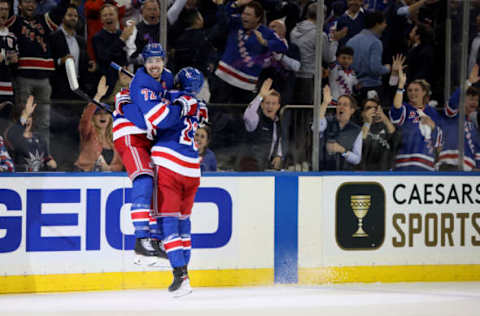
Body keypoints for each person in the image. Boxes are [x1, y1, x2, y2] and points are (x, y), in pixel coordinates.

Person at [123, 66, 207, 297]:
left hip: (170, 163)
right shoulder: (201, 106)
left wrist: (124, 103)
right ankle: (185, 274)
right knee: (184, 223)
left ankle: (180, 276)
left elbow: (150, 120)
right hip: (192, 167)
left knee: (168, 221)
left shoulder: (169, 97)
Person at [113, 43, 173, 266]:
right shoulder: (132, 90)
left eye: (158, 60)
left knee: (159, 186)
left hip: (146, 140)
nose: (154, 65)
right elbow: (144, 120)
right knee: (144, 179)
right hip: (130, 137)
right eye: (150, 61)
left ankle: (152, 241)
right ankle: (141, 240)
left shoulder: (163, 83)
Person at [7, 0, 74, 148]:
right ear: (19, 5)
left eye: (33, 2)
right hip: (23, 78)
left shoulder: (44, 20)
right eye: (26, 2)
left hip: (44, 80)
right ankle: (23, 156)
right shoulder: (14, 21)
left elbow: (60, 10)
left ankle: (45, 156)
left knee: (44, 122)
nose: (30, 5)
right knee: (23, 119)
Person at [210, 0, 287, 104]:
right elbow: (222, 17)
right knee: (214, 113)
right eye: (244, 13)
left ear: (258, 18)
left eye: (248, 15)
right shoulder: (236, 22)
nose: (244, 17)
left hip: (245, 85)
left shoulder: (266, 32)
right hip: (223, 78)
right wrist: (236, 4)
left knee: (241, 118)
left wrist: (265, 42)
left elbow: (283, 47)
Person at [389, 68, 443, 171]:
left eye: (416, 90)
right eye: (409, 90)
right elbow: (396, 110)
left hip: (426, 162)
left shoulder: (432, 112)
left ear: (424, 92)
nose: (412, 93)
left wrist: (433, 126)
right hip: (404, 161)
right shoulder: (405, 108)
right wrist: (400, 86)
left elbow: (439, 142)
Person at [290, 3, 339, 104]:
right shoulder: (319, 34)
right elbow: (329, 57)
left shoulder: (294, 30)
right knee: (307, 112)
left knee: (295, 111)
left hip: (293, 76)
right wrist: (334, 41)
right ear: (323, 16)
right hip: (309, 78)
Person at [73, 79, 123, 172]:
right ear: (93, 118)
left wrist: (108, 169)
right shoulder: (88, 132)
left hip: (107, 182)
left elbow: (119, 165)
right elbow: (85, 119)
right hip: (84, 177)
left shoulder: (115, 139)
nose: (103, 115)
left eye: (106, 113)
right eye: (98, 113)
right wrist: (98, 96)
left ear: (110, 117)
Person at [437, 65, 480, 171]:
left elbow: (477, 150)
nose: (474, 102)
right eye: (471, 99)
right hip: (449, 166)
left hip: (468, 172)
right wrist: (468, 82)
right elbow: (453, 100)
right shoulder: (452, 115)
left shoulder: (473, 126)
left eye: (476, 100)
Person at [346, 10, 391, 104]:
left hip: (353, 87)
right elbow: (375, 68)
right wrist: (387, 68)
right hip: (372, 87)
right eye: (384, 22)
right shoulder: (376, 43)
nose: (386, 25)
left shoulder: (351, 41)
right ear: (377, 24)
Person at [49, 4, 93, 99]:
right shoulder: (53, 37)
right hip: (59, 88)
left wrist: (89, 63)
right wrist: (61, 60)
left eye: (75, 16)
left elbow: (84, 64)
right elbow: (48, 61)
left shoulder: (81, 41)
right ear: (62, 17)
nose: (73, 18)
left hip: (79, 88)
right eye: (70, 15)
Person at [314, 85, 362, 170]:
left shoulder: (356, 130)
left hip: (344, 175)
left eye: (345, 105)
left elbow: (357, 159)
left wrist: (342, 151)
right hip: (323, 172)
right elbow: (315, 128)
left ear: (352, 110)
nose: (341, 107)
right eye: (339, 104)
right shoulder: (328, 121)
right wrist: (325, 103)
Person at [5, 95, 57, 172]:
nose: (28, 120)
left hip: (38, 180)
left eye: (30, 116)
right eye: (24, 116)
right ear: (15, 118)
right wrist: (24, 117)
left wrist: (50, 163)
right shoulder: (12, 134)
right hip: (19, 179)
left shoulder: (40, 137)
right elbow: (13, 135)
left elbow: (47, 157)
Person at [241, 78, 283, 171]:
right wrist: (260, 96)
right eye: (267, 103)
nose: (270, 106)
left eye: (273, 103)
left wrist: (278, 156)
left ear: (278, 106)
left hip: (266, 169)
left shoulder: (277, 123)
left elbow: (277, 141)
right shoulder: (256, 119)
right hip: (250, 169)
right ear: (262, 105)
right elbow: (247, 115)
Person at [92, 3, 132, 97]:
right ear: (101, 19)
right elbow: (104, 57)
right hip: (107, 85)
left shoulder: (123, 34)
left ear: (117, 16)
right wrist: (121, 40)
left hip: (125, 82)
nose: (108, 17)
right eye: (105, 15)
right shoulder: (98, 38)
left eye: (111, 14)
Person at [358, 97, 401, 171]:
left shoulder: (387, 126)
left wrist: (385, 119)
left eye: (375, 108)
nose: (373, 110)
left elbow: (397, 141)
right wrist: (367, 123)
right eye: (368, 108)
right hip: (364, 173)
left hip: (386, 174)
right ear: (362, 113)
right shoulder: (357, 128)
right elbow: (360, 147)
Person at [0, 0, 18, 132]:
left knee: (5, 122)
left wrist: (6, 57)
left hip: (7, 84)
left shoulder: (12, 36)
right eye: (0, 9)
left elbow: (15, 58)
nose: (3, 12)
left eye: (6, 9)